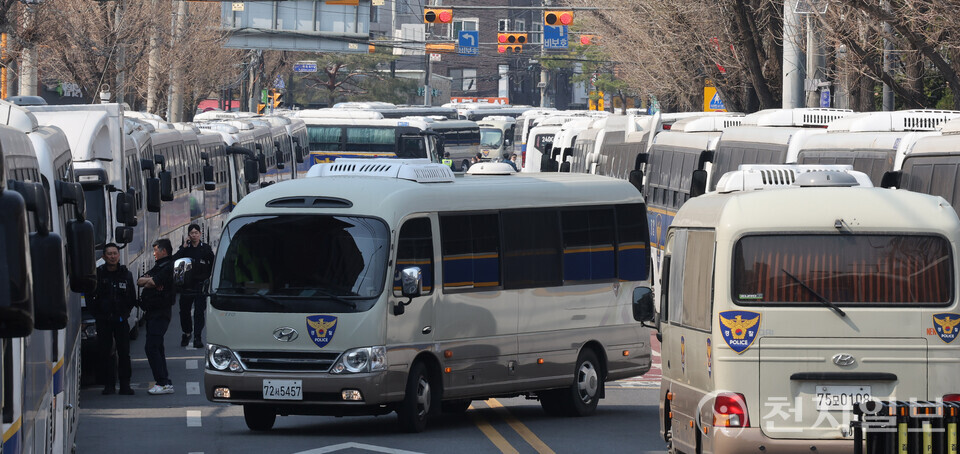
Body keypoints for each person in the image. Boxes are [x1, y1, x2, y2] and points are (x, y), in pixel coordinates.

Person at [89, 243, 137, 395]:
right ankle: (109, 385)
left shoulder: (126, 274)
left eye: (115, 253)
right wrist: (97, 315)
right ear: (103, 257)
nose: (112, 256)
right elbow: (90, 298)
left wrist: (124, 314)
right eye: (109, 254)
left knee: (124, 353)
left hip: (121, 321)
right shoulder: (98, 274)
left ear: (118, 255)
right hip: (103, 321)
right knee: (106, 353)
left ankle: (125, 385)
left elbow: (131, 298)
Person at [138, 239, 176, 395]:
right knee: (158, 347)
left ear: (164, 251)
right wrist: (150, 281)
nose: (153, 254)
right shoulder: (158, 266)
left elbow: (153, 281)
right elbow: (141, 281)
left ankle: (161, 382)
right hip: (152, 313)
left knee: (151, 347)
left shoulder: (168, 266)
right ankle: (165, 381)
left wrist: (151, 281)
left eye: (155, 251)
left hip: (161, 312)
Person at [173, 224, 215, 349]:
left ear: (200, 234)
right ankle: (186, 333)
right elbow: (174, 261)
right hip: (186, 286)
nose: (194, 235)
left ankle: (197, 337)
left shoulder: (206, 249)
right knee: (184, 312)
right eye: (192, 233)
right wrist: (183, 247)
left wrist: (209, 280)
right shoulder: (185, 249)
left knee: (199, 313)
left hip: (200, 285)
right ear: (189, 235)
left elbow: (213, 264)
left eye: (196, 233)